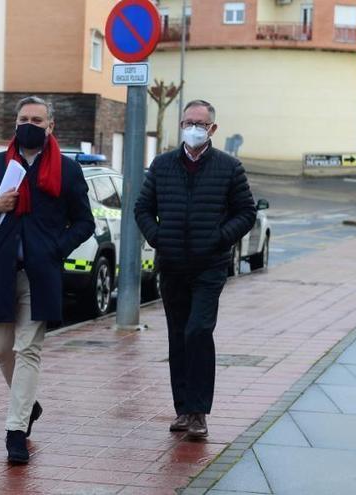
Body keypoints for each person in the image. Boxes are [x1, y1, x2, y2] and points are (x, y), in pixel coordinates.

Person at [0, 96, 94, 463]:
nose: (29, 124)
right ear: (15, 123)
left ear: (50, 127)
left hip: (41, 274)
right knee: (2, 349)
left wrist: (55, 249)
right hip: (2, 272)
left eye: (37, 119)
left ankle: (15, 431)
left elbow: (85, 223)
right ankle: (29, 405)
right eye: (23, 118)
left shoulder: (67, 170)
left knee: (28, 350)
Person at [135, 100, 256, 439]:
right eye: (188, 122)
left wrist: (220, 239)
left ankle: (199, 412)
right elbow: (143, 208)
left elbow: (245, 212)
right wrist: (159, 237)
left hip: (209, 267)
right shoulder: (162, 166)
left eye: (200, 123)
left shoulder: (229, 167)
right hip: (172, 266)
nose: (193, 128)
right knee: (178, 337)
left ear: (212, 129)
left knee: (198, 332)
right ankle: (183, 410)